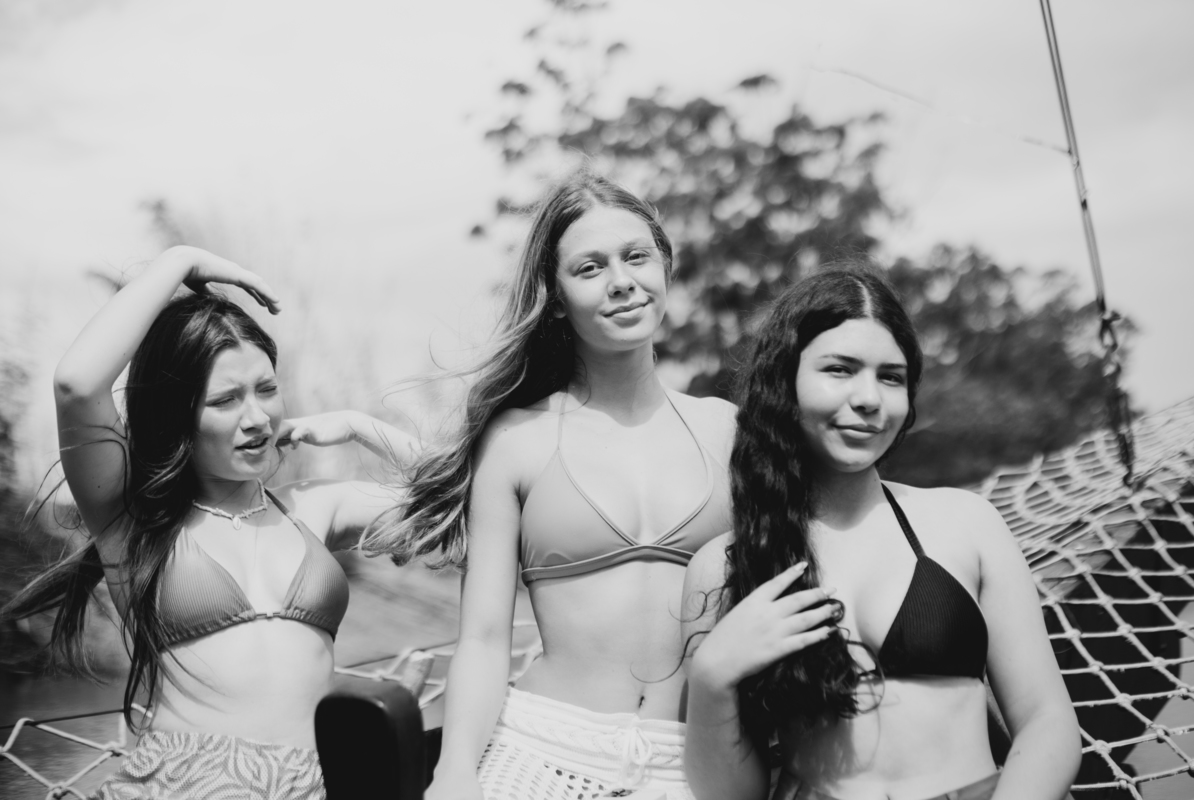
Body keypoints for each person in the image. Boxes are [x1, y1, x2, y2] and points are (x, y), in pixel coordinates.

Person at [364, 171, 735, 800]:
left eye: (636, 257)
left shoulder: (730, 430)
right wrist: (455, 772)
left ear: (665, 269)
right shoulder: (517, 440)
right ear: (556, 298)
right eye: (590, 268)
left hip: (693, 765)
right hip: (542, 754)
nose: (621, 281)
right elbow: (484, 638)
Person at [2, 246, 415, 799]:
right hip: (187, 784)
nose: (256, 418)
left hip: (317, 784)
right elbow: (77, 385)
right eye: (225, 400)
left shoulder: (314, 507)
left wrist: (361, 426)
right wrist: (179, 262)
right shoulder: (132, 521)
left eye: (266, 389)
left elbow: (466, 499)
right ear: (177, 414)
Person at [682, 265, 1080, 800]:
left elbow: (1047, 721)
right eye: (840, 369)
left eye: (891, 377)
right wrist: (711, 680)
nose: (870, 398)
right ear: (783, 381)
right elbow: (731, 797)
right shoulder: (724, 565)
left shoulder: (965, 523)